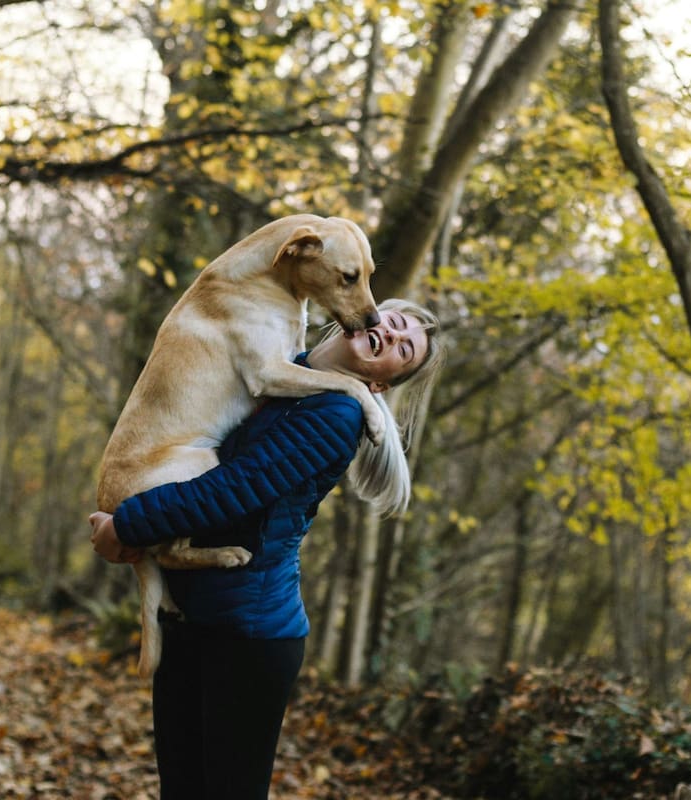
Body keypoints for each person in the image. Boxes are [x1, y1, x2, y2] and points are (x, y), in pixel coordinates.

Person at [88, 298, 444, 800]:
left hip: (249, 639)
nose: (391, 333)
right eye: (394, 319)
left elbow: (234, 492)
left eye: (404, 348)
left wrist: (128, 526)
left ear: (380, 384)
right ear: (364, 313)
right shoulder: (279, 374)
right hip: (189, 619)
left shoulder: (337, 412)